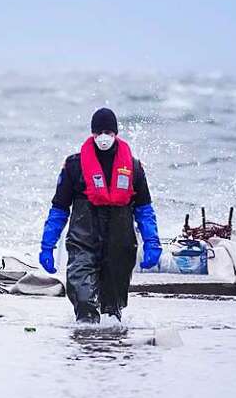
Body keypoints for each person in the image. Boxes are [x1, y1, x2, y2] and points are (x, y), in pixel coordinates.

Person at [39, 107, 162, 323]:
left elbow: (144, 210)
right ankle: (85, 340)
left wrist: (152, 243)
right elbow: (59, 209)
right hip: (82, 242)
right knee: (83, 297)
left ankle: (108, 349)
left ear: (115, 134)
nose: (103, 138)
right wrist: (47, 245)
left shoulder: (133, 167)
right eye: (99, 133)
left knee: (112, 309)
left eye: (108, 132)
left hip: (120, 244)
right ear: (92, 134)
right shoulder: (74, 166)